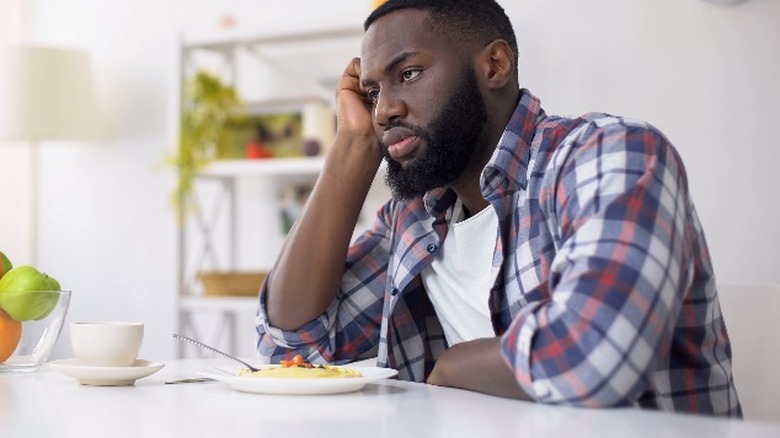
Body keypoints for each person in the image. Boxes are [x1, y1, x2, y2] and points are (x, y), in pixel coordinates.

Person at [255, 0, 742, 417]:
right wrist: (353, 144)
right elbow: (294, 348)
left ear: (494, 65)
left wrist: (452, 367)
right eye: (375, 92)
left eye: (408, 74)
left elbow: (594, 357)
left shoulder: (609, 155)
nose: (384, 110)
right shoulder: (416, 218)